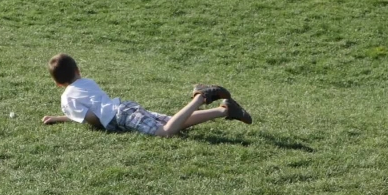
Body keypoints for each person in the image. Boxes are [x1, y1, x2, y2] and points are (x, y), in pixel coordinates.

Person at [42, 54, 252, 137]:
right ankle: (225, 110)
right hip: (125, 108)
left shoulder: (67, 98)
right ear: (78, 70)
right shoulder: (86, 82)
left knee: (165, 132)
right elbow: (91, 109)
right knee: (173, 122)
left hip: (120, 117)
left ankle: (201, 97)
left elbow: (92, 119)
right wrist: (59, 118)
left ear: (58, 83)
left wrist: (68, 115)